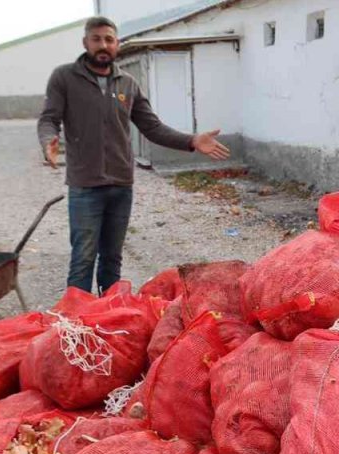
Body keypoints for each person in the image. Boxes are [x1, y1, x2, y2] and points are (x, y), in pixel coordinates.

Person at [37, 16, 231, 294]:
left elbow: (152, 128)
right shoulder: (64, 77)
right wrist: (48, 140)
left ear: (117, 44)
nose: (103, 45)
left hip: (120, 186)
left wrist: (192, 141)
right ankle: (76, 324)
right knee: (83, 258)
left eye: (109, 39)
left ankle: (110, 316)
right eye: (96, 39)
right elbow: (49, 119)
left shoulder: (127, 83)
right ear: (85, 42)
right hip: (85, 186)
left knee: (112, 259)